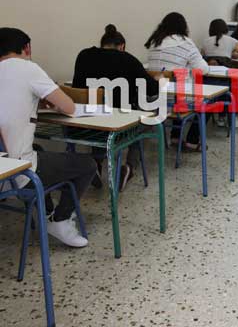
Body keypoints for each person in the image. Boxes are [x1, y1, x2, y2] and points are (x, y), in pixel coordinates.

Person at [0, 27, 95, 247]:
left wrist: (34, 100)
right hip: (17, 174)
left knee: (39, 150)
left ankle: (45, 212)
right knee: (87, 165)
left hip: (2, 168)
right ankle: (60, 220)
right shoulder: (27, 68)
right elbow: (69, 107)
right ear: (26, 48)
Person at [73, 24, 160, 190]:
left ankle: (95, 163)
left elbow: (77, 87)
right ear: (122, 46)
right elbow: (152, 89)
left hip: (87, 125)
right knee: (148, 117)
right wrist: (156, 80)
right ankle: (129, 166)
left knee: (99, 109)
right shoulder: (128, 59)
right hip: (119, 129)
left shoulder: (84, 55)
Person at [146, 12, 209, 150]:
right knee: (207, 102)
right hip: (175, 102)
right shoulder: (185, 43)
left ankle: (175, 137)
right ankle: (192, 141)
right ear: (183, 27)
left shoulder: (154, 42)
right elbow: (203, 69)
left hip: (154, 100)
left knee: (177, 90)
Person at [202, 19, 238, 127]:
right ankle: (232, 117)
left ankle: (221, 117)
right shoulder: (231, 41)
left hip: (207, 81)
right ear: (225, 29)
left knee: (220, 88)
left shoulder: (205, 42)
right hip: (226, 80)